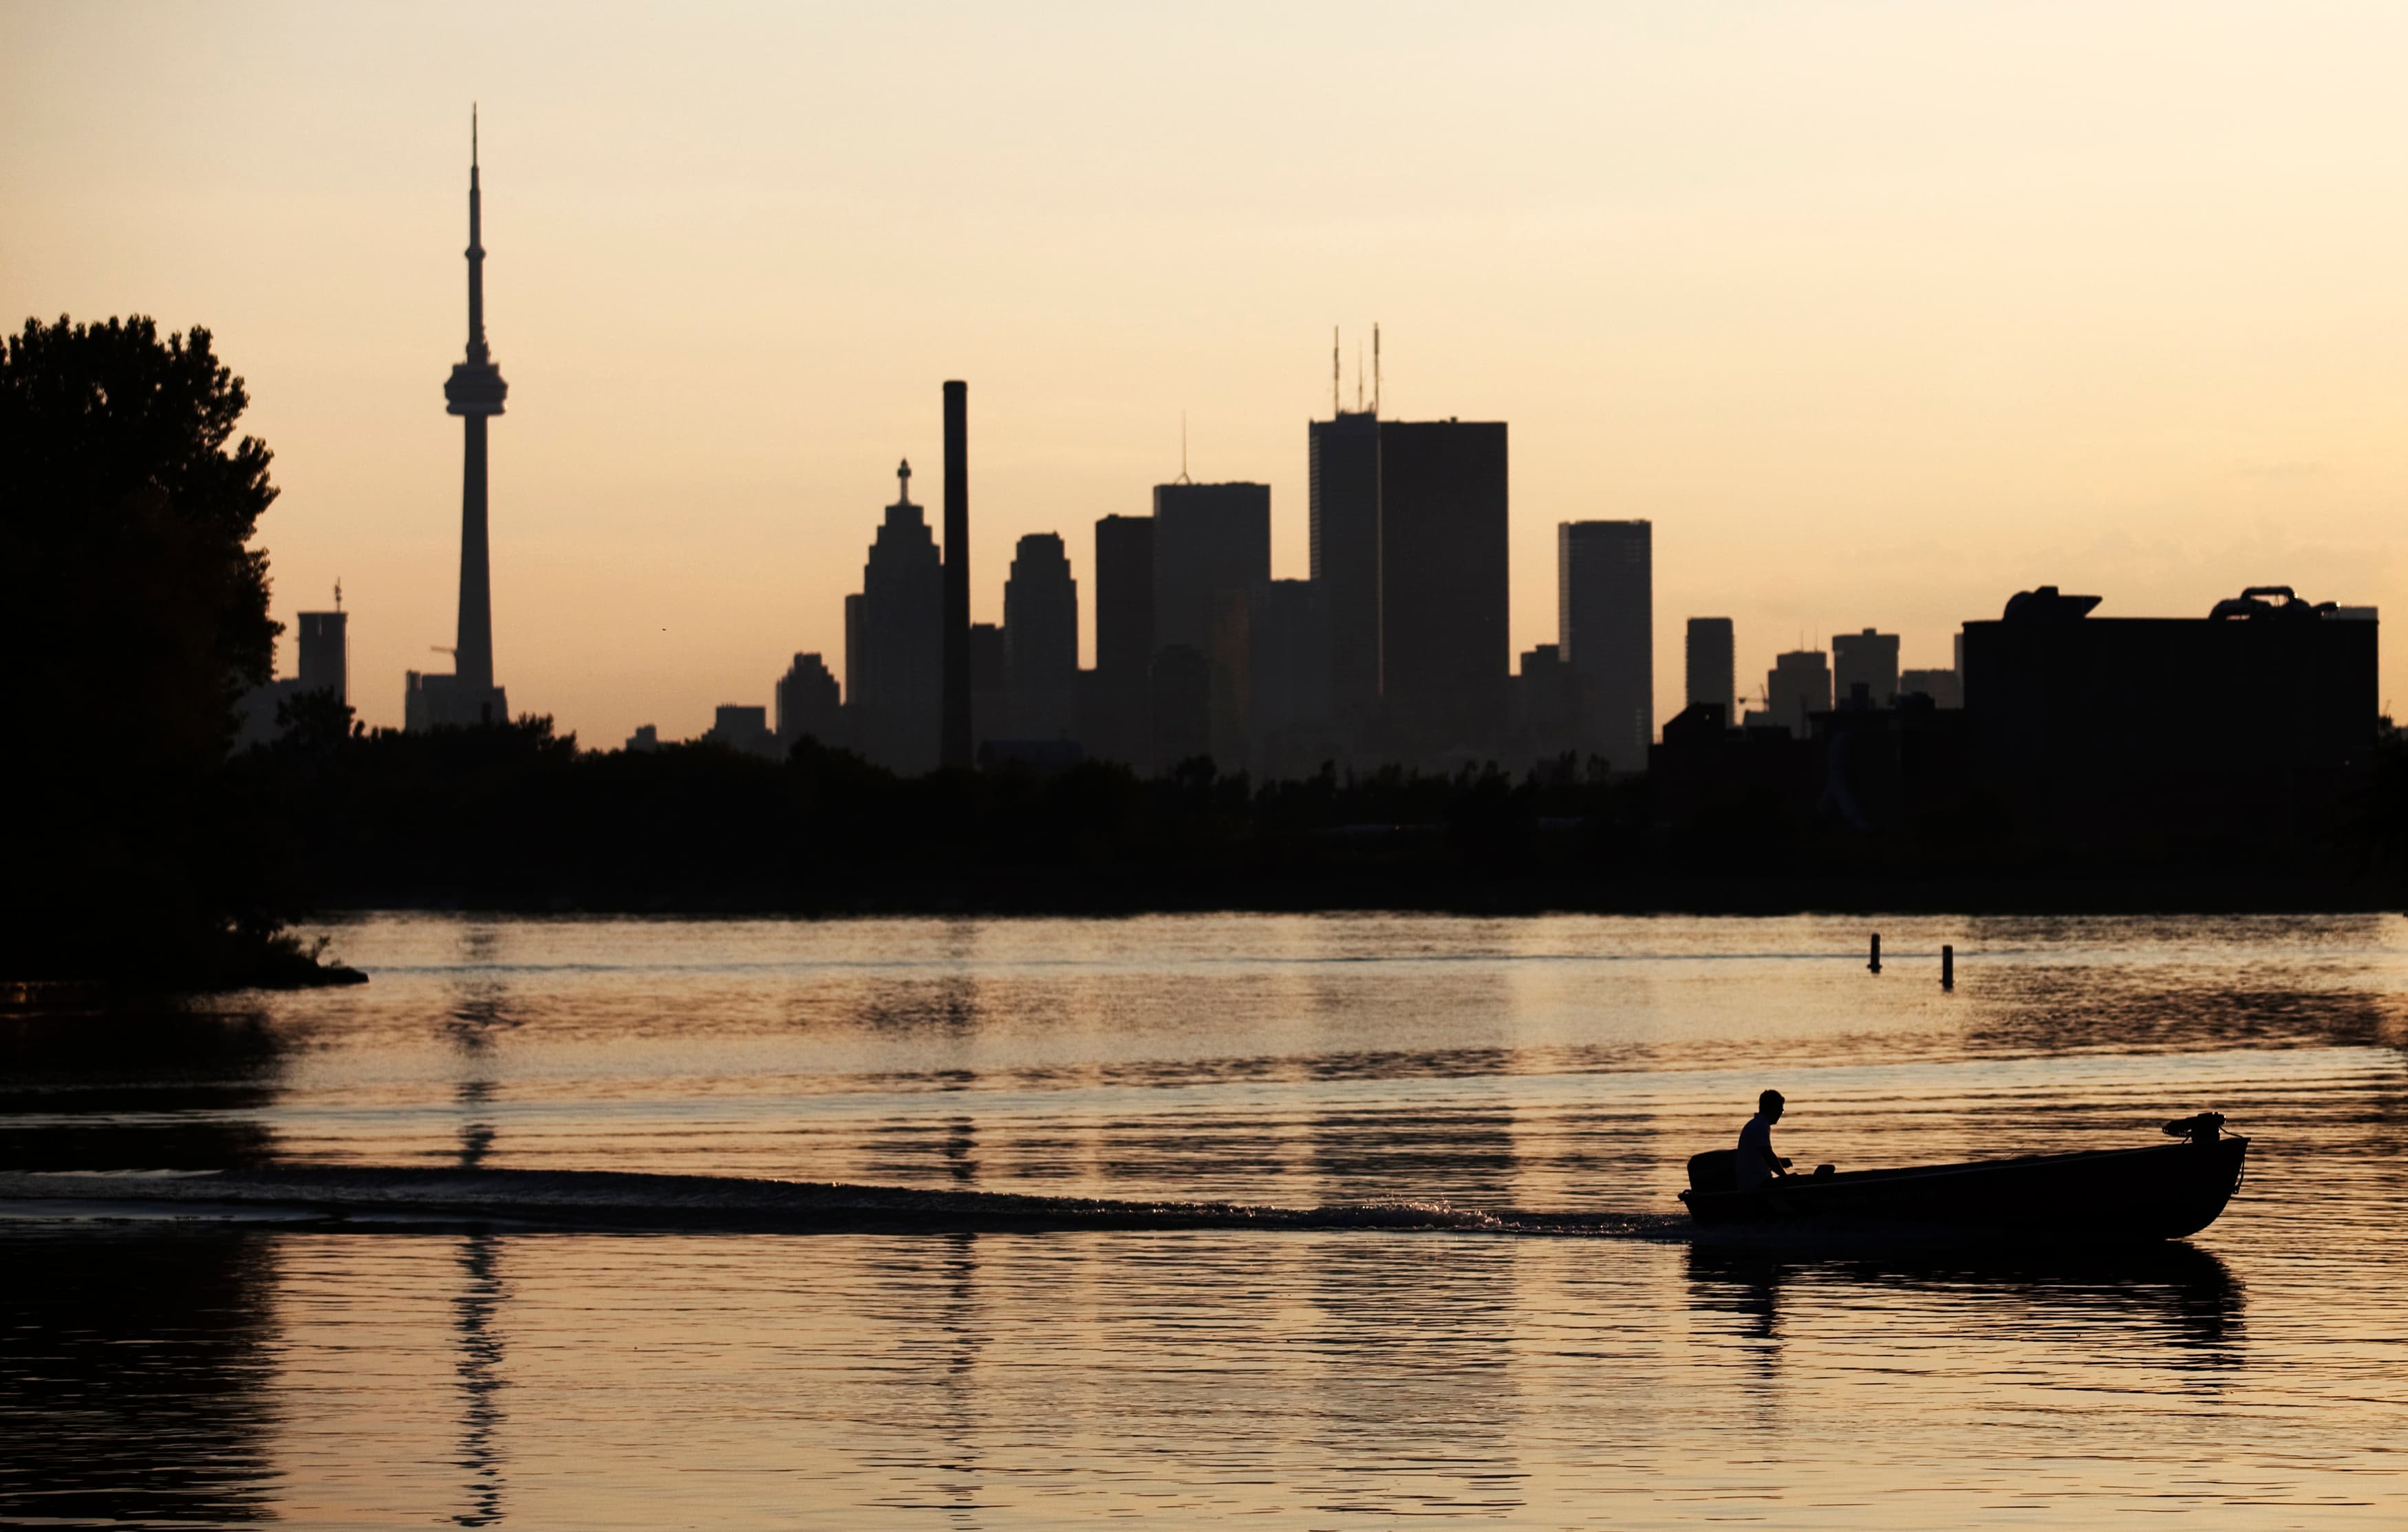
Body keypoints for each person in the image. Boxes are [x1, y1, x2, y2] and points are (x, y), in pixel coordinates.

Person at [1734, 1089, 1792, 1194]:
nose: (1781, 1113)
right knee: (1798, 1181)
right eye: (1780, 1109)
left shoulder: (1757, 1124)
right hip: (1758, 1185)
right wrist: (1785, 1177)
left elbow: (1760, 1156)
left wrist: (1781, 1162)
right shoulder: (1760, 1126)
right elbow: (1768, 1156)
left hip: (1754, 1183)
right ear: (1772, 1108)